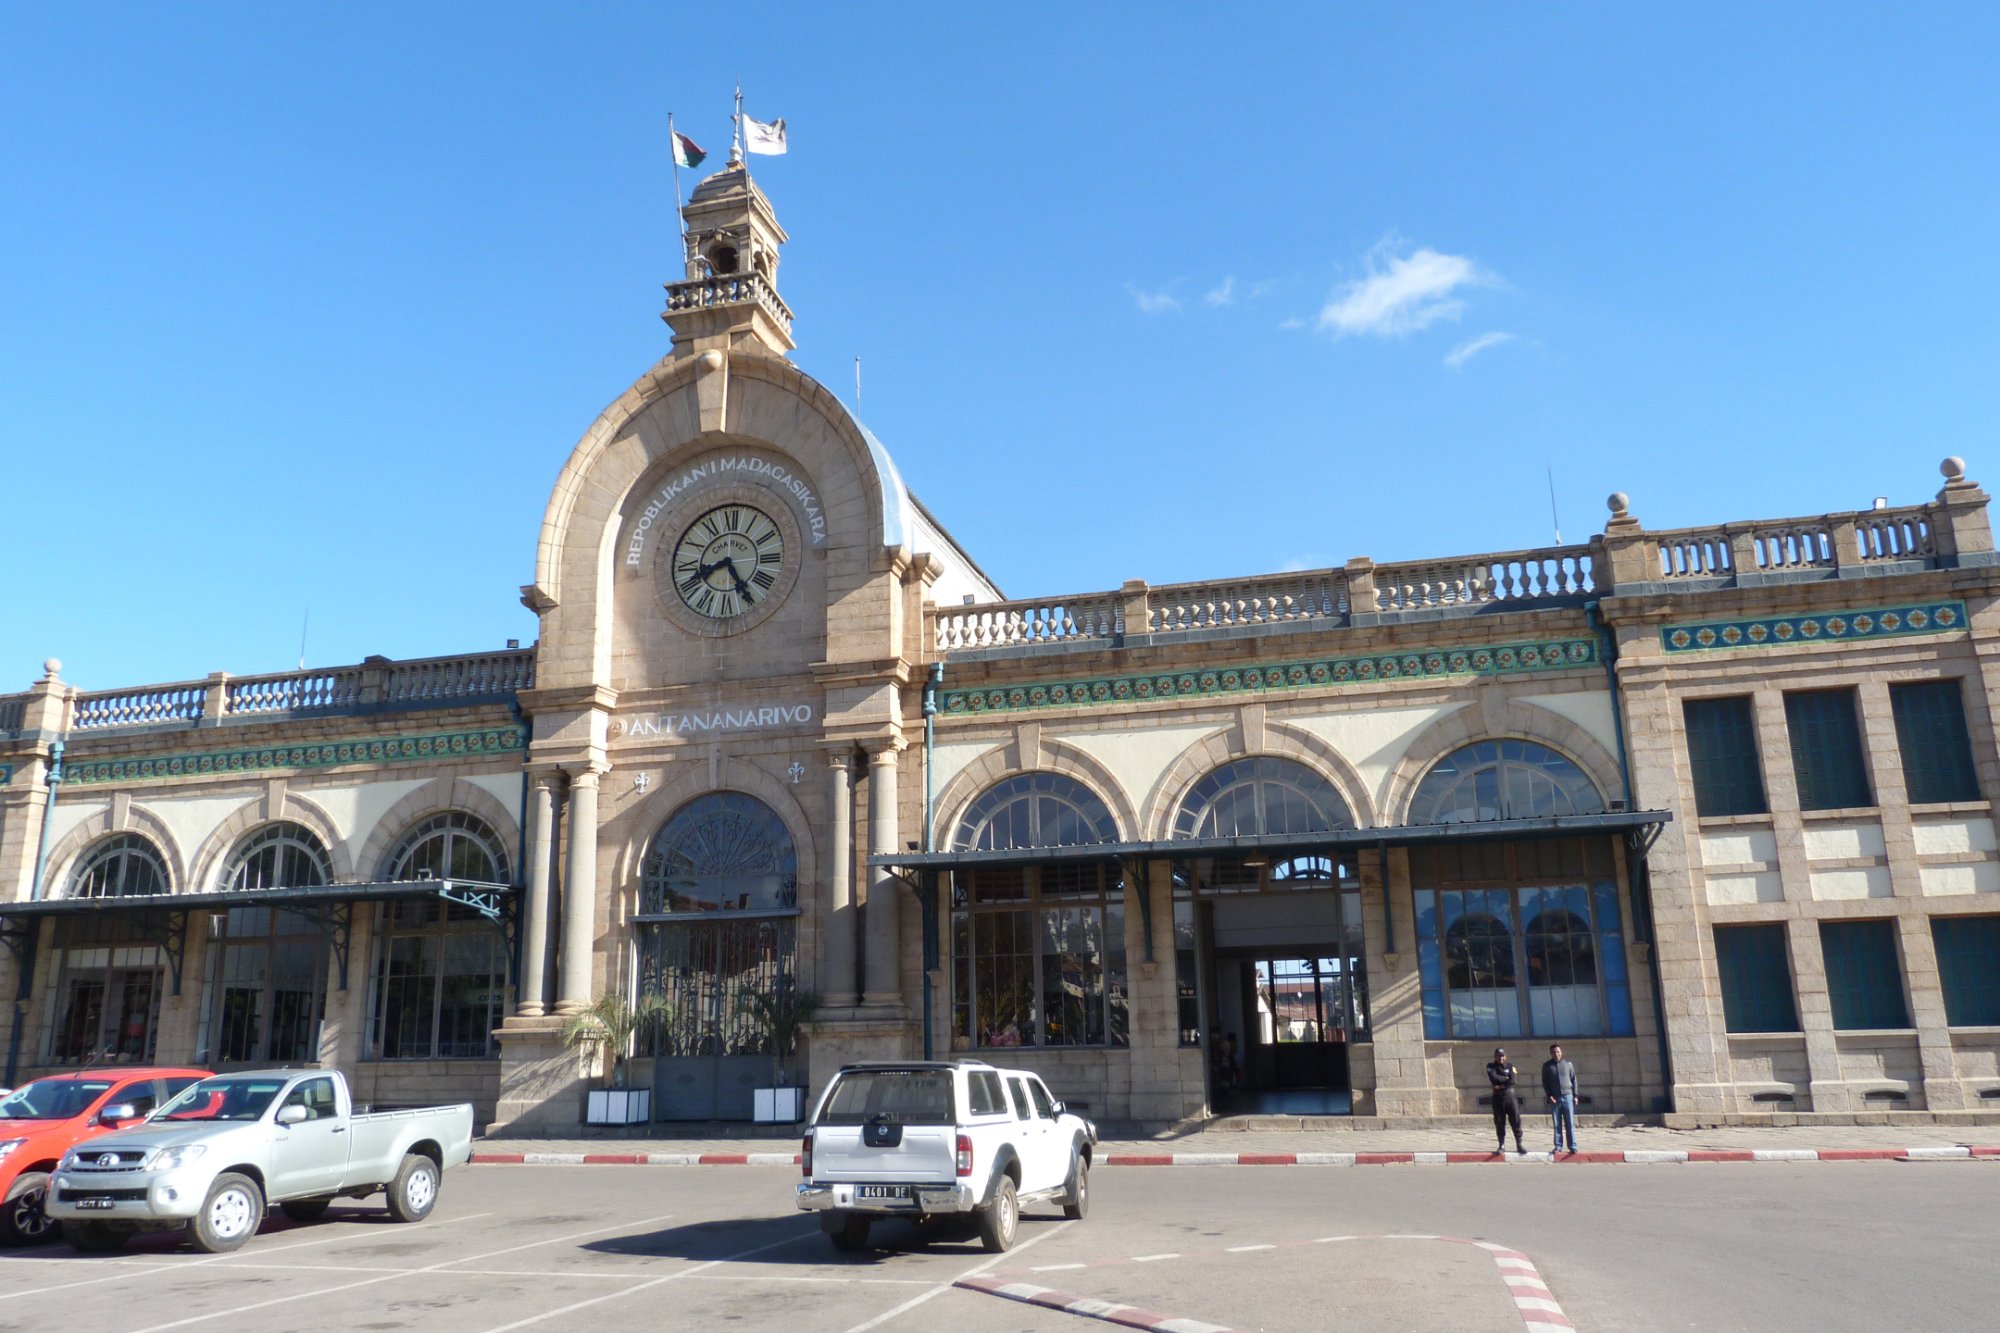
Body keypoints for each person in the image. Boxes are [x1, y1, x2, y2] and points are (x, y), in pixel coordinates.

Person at [1485, 1047, 1524, 1154]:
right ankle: (1501, 1145)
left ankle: (1519, 1144)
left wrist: (1500, 1084)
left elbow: (1513, 1081)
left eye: (1502, 1056)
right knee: (1499, 1122)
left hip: (1510, 1098)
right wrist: (1505, 1079)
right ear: (1495, 1056)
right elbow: (1493, 1077)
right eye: (1498, 1056)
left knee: (1516, 1121)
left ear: (1505, 1056)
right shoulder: (1490, 1066)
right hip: (1498, 1099)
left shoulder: (1510, 1066)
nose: (1501, 1058)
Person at [1542, 1043, 1579, 1153]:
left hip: (1568, 1096)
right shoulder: (1547, 1066)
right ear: (1550, 1053)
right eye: (1553, 1052)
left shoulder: (1568, 1064)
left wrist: (1575, 1095)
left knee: (1570, 1123)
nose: (1556, 1054)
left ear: (1561, 1052)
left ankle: (1573, 1146)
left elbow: (1574, 1080)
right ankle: (1558, 1146)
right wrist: (1549, 1095)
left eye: (1558, 1052)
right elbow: (1545, 1082)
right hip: (1555, 1098)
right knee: (1557, 1123)